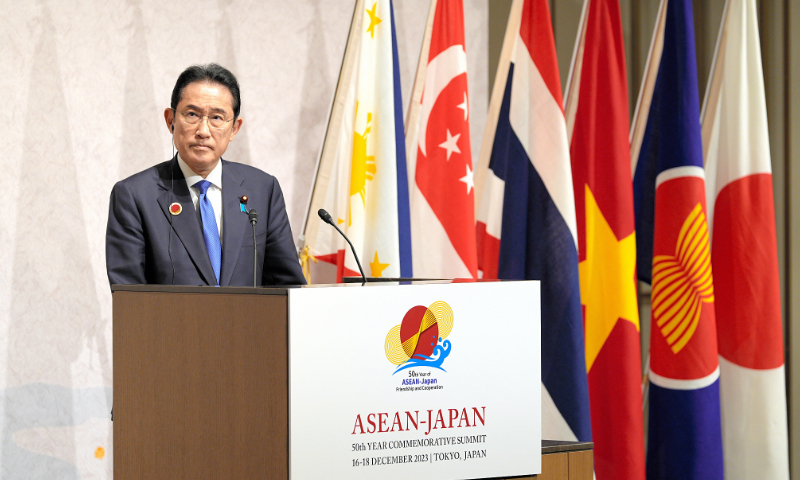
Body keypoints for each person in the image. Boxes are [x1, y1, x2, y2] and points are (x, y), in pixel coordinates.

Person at [106, 64, 305, 287]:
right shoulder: (135, 196)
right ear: (170, 120)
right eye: (192, 114)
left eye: (217, 118)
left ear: (235, 129)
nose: (203, 130)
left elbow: (287, 286)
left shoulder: (262, 189)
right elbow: (129, 298)